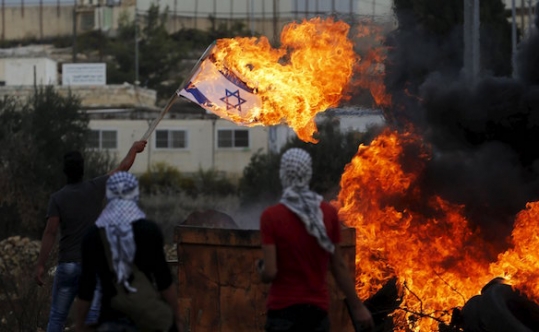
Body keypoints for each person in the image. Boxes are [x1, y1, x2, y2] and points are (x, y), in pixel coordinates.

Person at [34, 140, 147, 332]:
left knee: (57, 318)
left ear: (65, 171)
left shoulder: (57, 198)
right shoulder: (95, 188)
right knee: (94, 317)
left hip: (67, 265)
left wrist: (41, 265)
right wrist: (134, 149)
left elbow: (50, 232)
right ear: (82, 169)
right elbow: (123, 167)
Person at [257, 148, 374, 332]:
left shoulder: (271, 217)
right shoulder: (327, 214)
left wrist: (261, 269)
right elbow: (339, 267)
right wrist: (358, 307)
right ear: (308, 174)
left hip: (282, 314)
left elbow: (270, 272)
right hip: (316, 313)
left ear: (283, 175)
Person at [75, 171, 182, 332]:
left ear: (109, 194)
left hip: (110, 321)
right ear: (135, 193)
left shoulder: (93, 236)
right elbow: (164, 281)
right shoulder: (149, 231)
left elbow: (86, 288)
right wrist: (177, 319)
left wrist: (80, 325)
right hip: (148, 320)